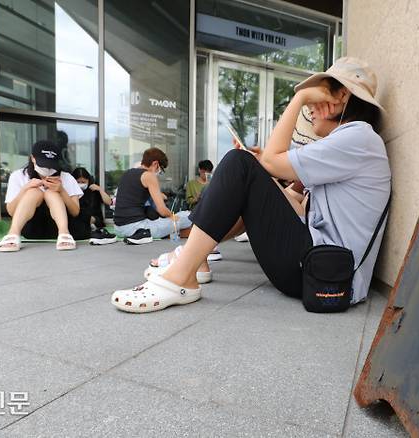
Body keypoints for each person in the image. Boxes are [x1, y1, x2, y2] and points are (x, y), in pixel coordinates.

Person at [111, 57, 391, 313]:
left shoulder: (358, 138)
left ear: (341, 96)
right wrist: (261, 180)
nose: (309, 108)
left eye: (318, 94)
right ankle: (195, 260)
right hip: (321, 267)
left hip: (327, 275)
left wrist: (299, 97)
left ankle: (181, 275)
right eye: (309, 98)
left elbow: (270, 160)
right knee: (247, 169)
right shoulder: (352, 143)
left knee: (240, 163)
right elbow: (296, 203)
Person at [0, 140, 86, 252]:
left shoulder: (66, 177)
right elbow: (10, 211)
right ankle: (13, 233)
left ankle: (64, 232)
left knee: (51, 192)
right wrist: (25, 188)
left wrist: (61, 190)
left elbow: (75, 211)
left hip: (58, 227)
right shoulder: (18, 176)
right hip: (32, 228)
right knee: (33, 192)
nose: (47, 169)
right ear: (33, 158)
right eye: (43, 164)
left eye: (51, 165)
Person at [113, 147, 192, 244]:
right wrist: (173, 218)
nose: (159, 172)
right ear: (155, 164)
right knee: (188, 216)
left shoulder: (127, 173)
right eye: (161, 169)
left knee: (173, 221)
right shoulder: (149, 176)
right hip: (137, 228)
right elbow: (162, 210)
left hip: (118, 228)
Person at [72, 167, 117, 245]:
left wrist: (100, 190)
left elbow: (109, 202)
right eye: (78, 182)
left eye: (83, 182)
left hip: (94, 219)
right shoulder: (71, 191)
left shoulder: (93, 190)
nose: (81, 184)